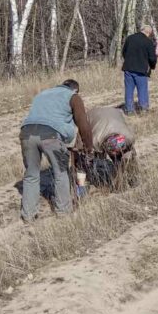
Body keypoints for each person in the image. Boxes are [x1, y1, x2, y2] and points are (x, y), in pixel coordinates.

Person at [19, 79, 94, 221]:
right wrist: (88, 146)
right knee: (61, 172)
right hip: (51, 136)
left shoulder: (43, 94)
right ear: (75, 90)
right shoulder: (73, 97)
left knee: (31, 175)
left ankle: (28, 215)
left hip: (26, 134)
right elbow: (83, 124)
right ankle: (63, 212)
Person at [83, 106, 138, 189]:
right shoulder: (96, 140)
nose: (116, 155)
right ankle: (99, 179)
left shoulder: (128, 137)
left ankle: (133, 178)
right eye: (113, 153)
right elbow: (91, 155)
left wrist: (126, 160)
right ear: (105, 146)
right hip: (95, 117)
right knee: (95, 162)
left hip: (114, 114)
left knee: (128, 156)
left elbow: (130, 153)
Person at [121, 25, 157, 114]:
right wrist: (152, 66)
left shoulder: (130, 38)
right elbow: (152, 58)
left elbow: (124, 52)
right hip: (141, 70)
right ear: (148, 33)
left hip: (128, 68)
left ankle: (129, 110)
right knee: (142, 89)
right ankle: (143, 109)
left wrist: (128, 60)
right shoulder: (148, 42)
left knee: (129, 90)